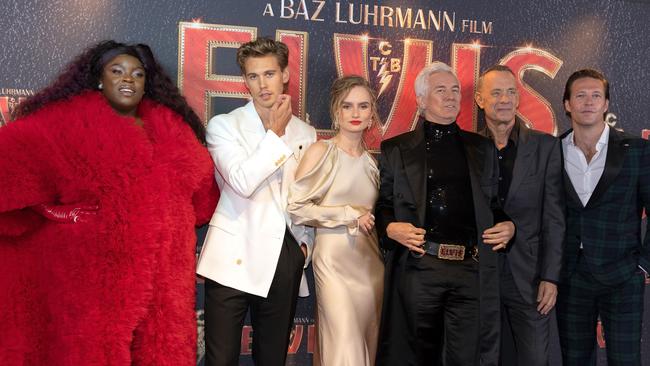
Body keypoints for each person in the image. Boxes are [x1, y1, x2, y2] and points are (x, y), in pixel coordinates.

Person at [0, 40, 219, 365]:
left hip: (164, 286)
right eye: (117, 71)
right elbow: (10, 170)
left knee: (161, 351)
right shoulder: (66, 124)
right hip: (93, 282)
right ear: (99, 79)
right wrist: (55, 213)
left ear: (147, 84)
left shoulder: (175, 134)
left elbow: (203, 203)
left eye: (137, 74)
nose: (128, 79)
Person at [374, 61, 515, 366]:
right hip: (421, 267)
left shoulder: (482, 148)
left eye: (455, 90)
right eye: (441, 90)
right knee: (416, 356)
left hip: (470, 269)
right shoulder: (396, 149)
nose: (451, 96)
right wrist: (391, 229)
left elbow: (493, 204)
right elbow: (383, 204)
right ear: (422, 100)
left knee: (466, 356)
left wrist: (508, 226)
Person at [196, 37, 316, 366]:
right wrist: (275, 134)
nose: (262, 84)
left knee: (272, 357)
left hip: (283, 255)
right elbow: (243, 182)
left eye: (269, 74)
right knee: (220, 359)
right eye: (253, 76)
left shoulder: (306, 133)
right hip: (232, 255)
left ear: (286, 74)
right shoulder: (224, 126)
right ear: (244, 80)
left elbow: (306, 195)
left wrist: (303, 246)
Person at [288, 75, 384, 366]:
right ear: (336, 112)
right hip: (332, 262)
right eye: (347, 106)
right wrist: (347, 214)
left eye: (363, 106)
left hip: (369, 266)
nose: (355, 114)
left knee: (364, 346)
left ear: (372, 115)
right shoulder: (322, 152)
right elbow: (297, 208)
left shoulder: (373, 164)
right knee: (345, 347)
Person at [557, 69, 649, 366]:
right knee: (575, 360)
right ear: (567, 104)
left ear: (606, 104)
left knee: (625, 360)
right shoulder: (552, 150)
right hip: (570, 276)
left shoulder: (637, 150)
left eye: (596, 96)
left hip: (623, 276)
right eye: (580, 95)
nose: (588, 102)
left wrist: (643, 267)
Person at [475, 65, 565, 366]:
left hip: (528, 276)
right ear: (480, 99)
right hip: (479, 274)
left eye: (511, 92)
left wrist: (550, 277)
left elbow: (554, 218)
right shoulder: (469, 148)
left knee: (534, 358)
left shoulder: (546, 147)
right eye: (496, 92)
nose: (505, 99)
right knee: (484, 357)